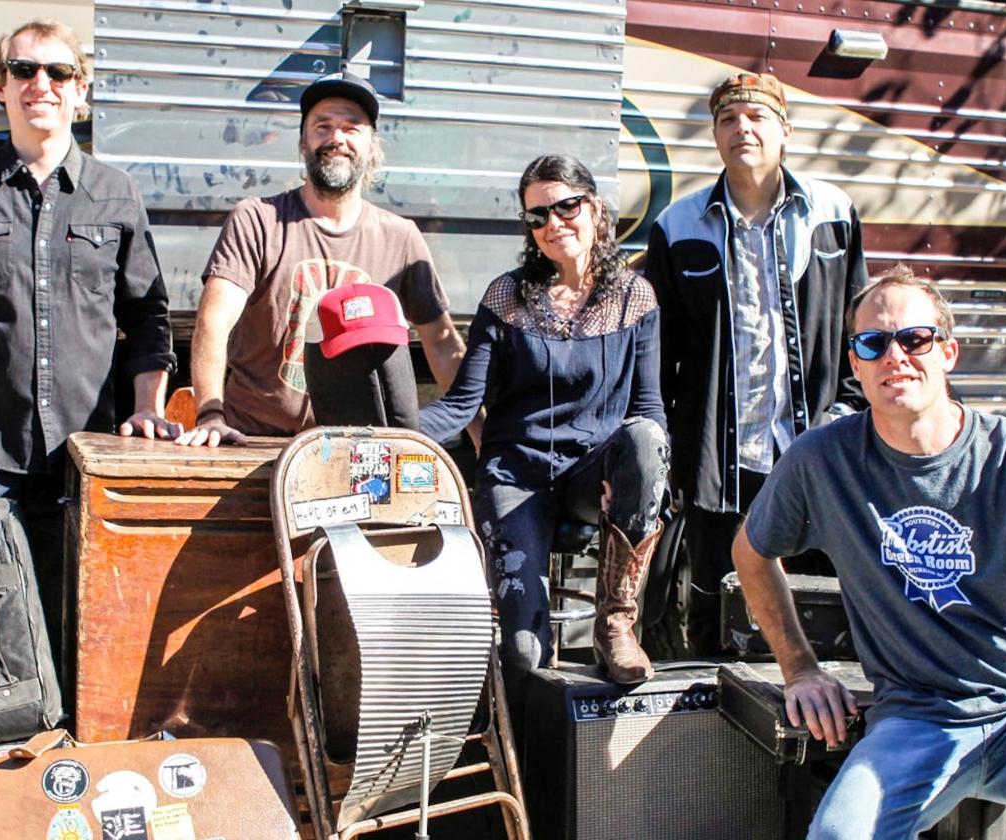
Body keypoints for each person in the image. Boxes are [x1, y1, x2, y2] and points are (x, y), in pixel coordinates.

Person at [731, 268, 1006, 837]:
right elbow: (751, 553)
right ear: (856, 364)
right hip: (914, 717)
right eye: (872, 343)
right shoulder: (821, 461)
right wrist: (800, 668)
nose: (894, 355)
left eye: (915, 339)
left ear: (948, 352)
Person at [0, 19, 177, 654]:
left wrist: (146, 409)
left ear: (81, 89)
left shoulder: (116, 194)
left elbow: (149, 316)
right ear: (1, 86)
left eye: (58, 72)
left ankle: (65, 751)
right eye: (23, 70)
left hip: (84, 456)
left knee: (79, 631)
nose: (39, 84)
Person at [420, 154, 669, 685]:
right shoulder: (507, 297)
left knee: (646, 438)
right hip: (516, 476)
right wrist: (383, 438)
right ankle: (523, 761)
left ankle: (616, 624)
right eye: (537, 216)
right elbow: (462, 405)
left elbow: (647, 408)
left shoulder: (635, 297)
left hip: (589, 474)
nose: (553, 224)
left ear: (596, 209)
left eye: (566, 207)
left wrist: (632, 485)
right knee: (524, 653)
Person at [644, 71, 868, 655]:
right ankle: (718, 738)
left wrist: (843, 414)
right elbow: (660, 351)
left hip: (815, 448)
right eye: (727, 120)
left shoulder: (833, 213)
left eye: (757, 117)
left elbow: (859, 325)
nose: (742, 129)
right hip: (722, 459)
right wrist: (668, 445)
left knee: (824, 611)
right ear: (715, 135)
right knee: (719, 612)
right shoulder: (678, 225)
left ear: (785, 130)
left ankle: (823, 734)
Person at [176, 71, 469, 446]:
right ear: (302, 142)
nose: (336, 139)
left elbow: (442, 344)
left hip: (356, 449)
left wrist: (483, 438)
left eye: (351, 127)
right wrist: (211, 414)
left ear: (372, 145)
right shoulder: (258, 220)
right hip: (252, 441)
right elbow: (214, 321)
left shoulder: (401, 238)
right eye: (323, 126)